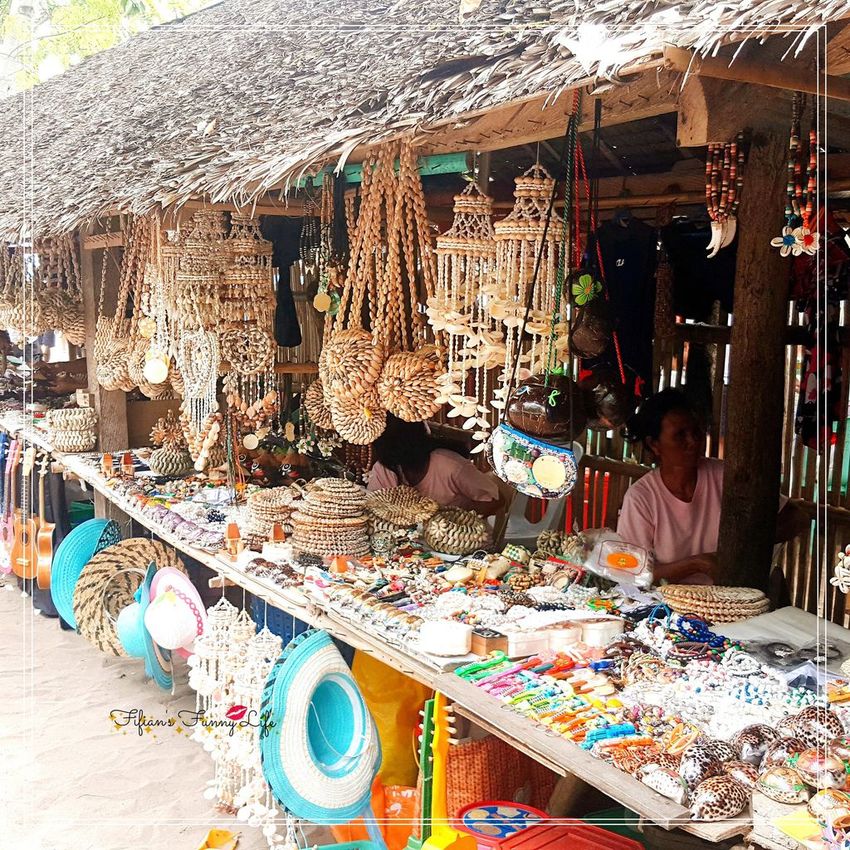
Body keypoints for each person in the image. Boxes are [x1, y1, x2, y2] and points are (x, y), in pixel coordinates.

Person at [617, 388, 807, 585]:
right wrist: (697, 564)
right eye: (680, 435)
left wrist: (743, 547)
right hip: (665, 606)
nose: (693, 441)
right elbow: (633, 573)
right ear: (654, 444)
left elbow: (797, 517)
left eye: (696, 432)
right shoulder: (642, 498)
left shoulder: (725, 476)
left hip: (729, 602)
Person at [368, 415, 503, 516]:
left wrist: (454, 520)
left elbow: (496, 500)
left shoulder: (450, 465)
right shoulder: (384, 467)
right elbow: (373, 507)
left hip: (454, 544)